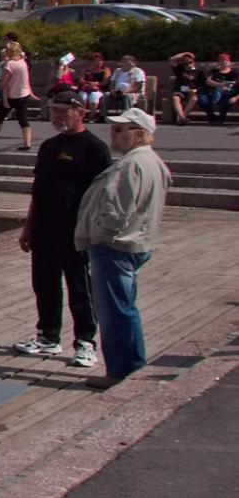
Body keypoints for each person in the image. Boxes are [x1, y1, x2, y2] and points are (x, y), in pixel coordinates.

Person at [12, 90, 110, 367]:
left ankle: (85, 342)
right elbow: (38, 190)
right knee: (44, 285)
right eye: (54, 110)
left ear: (80, 112)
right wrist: (28, 227)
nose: (56, 116)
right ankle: (47, 336)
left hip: (76, 231)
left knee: (80, 287)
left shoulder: (95, 148)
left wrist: (96, 231)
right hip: (44, 228)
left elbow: (103, 195)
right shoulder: (49, 147)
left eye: (63, 111)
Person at [74, 108, 170, 389]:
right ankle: (132, 366)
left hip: (116, 246)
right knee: (125, 308)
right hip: (136, 242)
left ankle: (121, 370)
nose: (112, 135)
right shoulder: (152, 161)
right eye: (113, 130)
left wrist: (99, 236)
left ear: (138, 134)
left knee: (114, 312)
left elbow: (117, 211)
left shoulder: (131, 165)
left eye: (119, 130)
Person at [0, 42, 37, 152]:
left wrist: (1, 86)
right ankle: (27, 143)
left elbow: (3, 83)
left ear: (10, 51)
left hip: (11, 95)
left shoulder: (9, 64)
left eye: (7, 49)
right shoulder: (23, 63)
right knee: (23, 119)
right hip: (23, 94)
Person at [164, 51, 203, 126]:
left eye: (190, 62)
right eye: (186, 63)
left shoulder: (198, 72)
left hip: (191, 91)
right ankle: (182, 117)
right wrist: (185, 53)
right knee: (175, 98)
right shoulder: (180, 70)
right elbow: (172, 59)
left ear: (193, 62)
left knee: (194, 99)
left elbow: (202, 85)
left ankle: (182, 117)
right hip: (180, 90)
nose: (188, 65)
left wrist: (196, 90)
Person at [201, 53, 235, 125]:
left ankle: (221, 117)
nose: (223, 62)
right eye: (221, 61)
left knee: (227, 101)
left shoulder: (233, 73)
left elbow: (234, 84)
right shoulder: (213, 71)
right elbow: (208, 81)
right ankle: (211, 117)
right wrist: (219, 85)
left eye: (225, 61)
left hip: (226, 93)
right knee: (203, 100)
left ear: (229, 62)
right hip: (210, 91)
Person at [78, 53, 109, 120]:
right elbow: (81, 80)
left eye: (99, 61)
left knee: (93, 96)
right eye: (95, 61)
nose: (97, 63)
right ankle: (81, 116)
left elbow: (105, 82)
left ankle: (91, 117)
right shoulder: (86, 70)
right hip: (86, 88)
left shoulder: (106, 70)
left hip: (99, 89)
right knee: (83, 96)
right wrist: (88, 83)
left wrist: (96, 84)